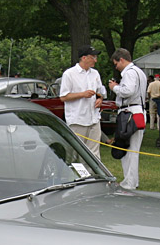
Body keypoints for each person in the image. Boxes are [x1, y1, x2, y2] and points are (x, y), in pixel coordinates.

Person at [108, 48, 147, 190]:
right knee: (131, 149)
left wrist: (115, 88)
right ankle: (131, 181)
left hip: (130, 112)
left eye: (116, 64)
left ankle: (129, 183)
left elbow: (128, 91)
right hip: (138, 111)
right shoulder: (139, 72)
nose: (116, 67)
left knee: (128, 148)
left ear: (122, 60)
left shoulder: (130, 73)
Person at [60, 46, 106, 158]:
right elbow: (63, 97)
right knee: (75, 152)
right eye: (93, 57)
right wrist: (82, 94)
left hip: (94, 119)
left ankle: (93, 174)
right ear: (84, 58)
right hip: (77, 120)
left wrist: (100, 99)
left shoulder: (95, 74)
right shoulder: (69, 74)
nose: (95, 60)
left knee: (94, 153)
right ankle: (74, 174)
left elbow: (100, 91)